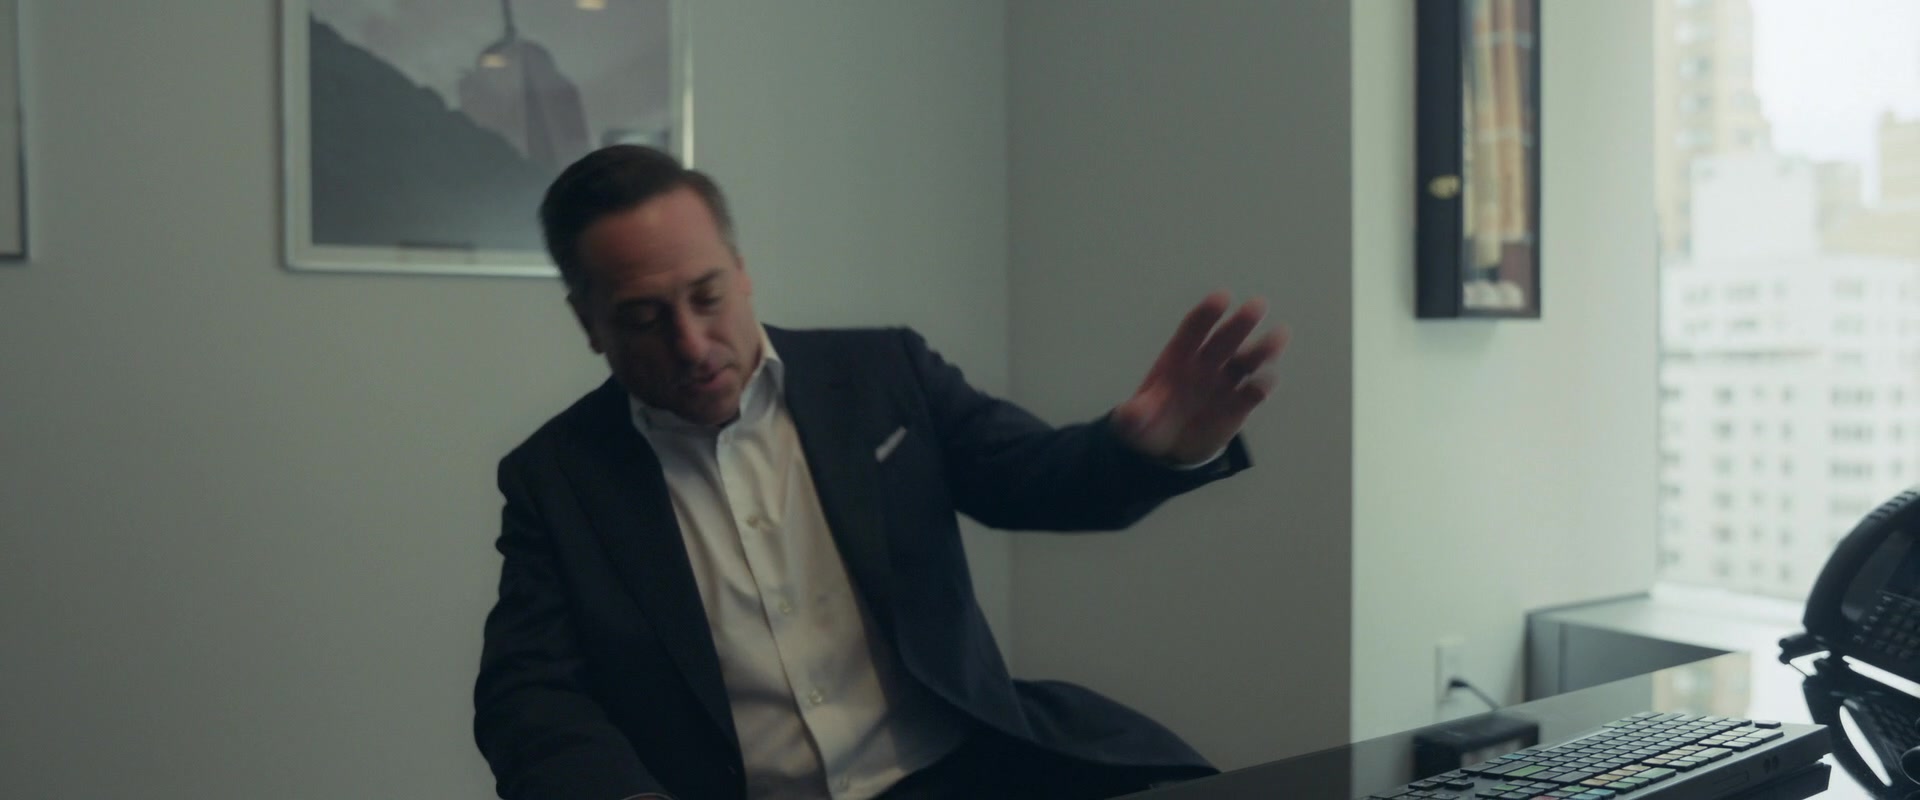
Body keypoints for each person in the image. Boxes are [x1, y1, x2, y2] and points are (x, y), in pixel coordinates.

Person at [473, 145, 1287, 800]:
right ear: (588, 322)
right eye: (644, 319)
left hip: (962, 774)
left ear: (742, 269)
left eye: (708, 296)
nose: (691, 343)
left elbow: (1032, 477)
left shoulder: (880, 376)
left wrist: (1143, 447)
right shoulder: (557, 478)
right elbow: (529, 696)